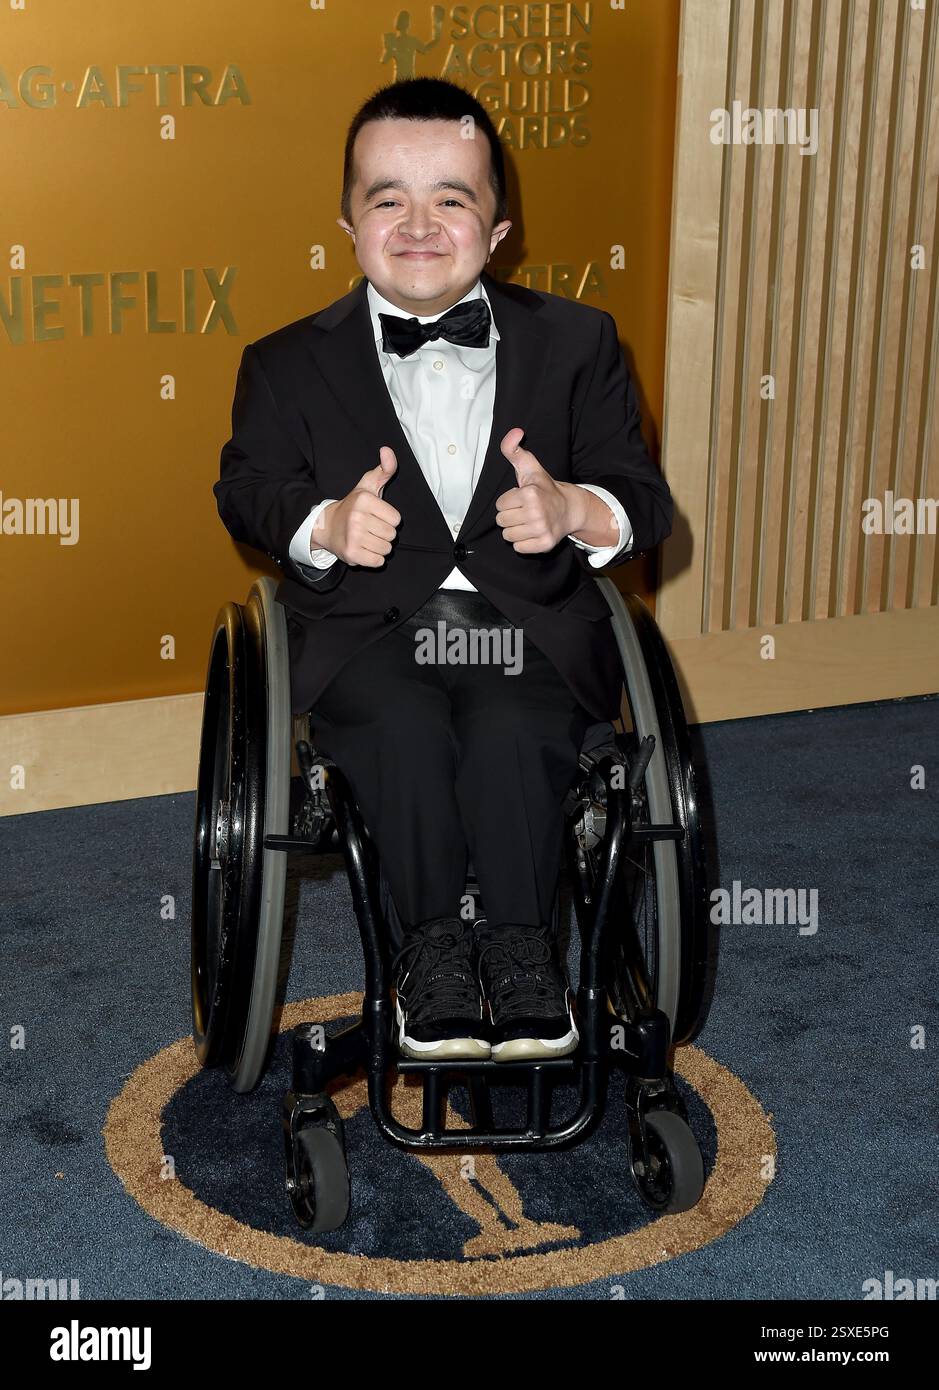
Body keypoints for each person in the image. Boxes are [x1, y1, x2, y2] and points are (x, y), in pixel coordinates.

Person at [214, 77, 673, 1065]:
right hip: (371, 630)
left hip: (528, 628)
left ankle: (519, 948)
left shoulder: (577, 341)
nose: (420, 224)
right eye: (389, 199)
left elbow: (643, 494)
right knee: (403, 723)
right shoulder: (284, 362)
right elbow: (247, 488)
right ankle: (430, 951)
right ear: (346, 222)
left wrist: (573, 509)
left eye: (451, 199)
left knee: (515, 723)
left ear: (498, 226)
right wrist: (323, 523)